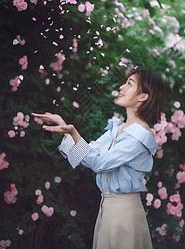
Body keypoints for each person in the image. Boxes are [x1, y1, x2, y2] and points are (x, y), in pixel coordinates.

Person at [32, 68, 165, 249]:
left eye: (129, 84)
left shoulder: (139, 136)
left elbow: (100, 164)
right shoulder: (117, 128)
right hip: (107, 209)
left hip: (125, 215)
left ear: (143, 96)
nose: (122, 87)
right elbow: (86, 156)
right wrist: (64, 127)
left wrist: (73, 132)